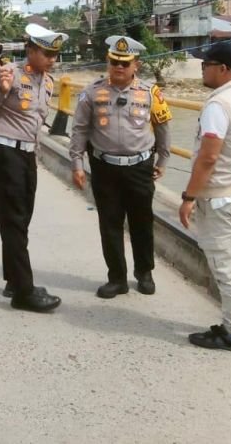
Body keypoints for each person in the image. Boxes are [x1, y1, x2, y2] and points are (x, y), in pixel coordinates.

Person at [69, 35, 172, 299]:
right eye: (114, 61)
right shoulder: (91, 93)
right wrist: (77, 164)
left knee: (142, 222)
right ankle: (116, 278)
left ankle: (144, 273)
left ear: (135, 65)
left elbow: (162, 128)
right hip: (105, 168)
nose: (119, 67)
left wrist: (163, 160)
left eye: (125, 63)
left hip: (140, 167)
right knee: (110, 223)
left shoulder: (151, 93)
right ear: (108, 61)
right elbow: (79, 129)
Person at [180, 42, 231, 352]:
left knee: (227, 266)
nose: (203, 68)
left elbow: (208, 157)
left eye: (207, 64)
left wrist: (189, 196)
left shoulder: (219, 105)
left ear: (223, 69)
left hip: (220, 200)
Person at [0, 24, 67, 312]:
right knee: (14, 219)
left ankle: (13, 279)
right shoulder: (8, 73)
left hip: (28, 155)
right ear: (30, 50)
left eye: (55, 54)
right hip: (5, 151)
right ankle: (24, 292)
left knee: (22, 218)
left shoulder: (49, 82)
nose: (52, 59)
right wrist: (2, 92)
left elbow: (37, 121)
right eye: (46, 53)